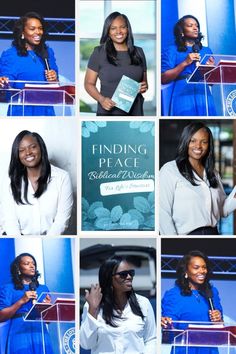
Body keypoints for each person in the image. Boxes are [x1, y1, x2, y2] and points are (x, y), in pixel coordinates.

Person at [159, 122, 236, 235]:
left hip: (213, 234)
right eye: (193, 141)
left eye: (204, 142)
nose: (198, 146)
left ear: (209, 145)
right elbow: (162, 213)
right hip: (186, 236)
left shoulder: (213, 173)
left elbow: (222, 210)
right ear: (185, 141)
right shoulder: (170, 170)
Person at [0, 130, 73, 236]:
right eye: (21, 150)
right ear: (17, 155)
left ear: (41, 148)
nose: (28, 152)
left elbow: (61, 222)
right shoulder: (9, 180)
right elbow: (10, 222)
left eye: (33, 147)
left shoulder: (62, 178)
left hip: (51, 239)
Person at [80, 255, 156, 353]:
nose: (129, 277)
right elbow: (86, 344)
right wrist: (93, 310)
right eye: (123, 274)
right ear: (109, 278)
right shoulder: (92, 306)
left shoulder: (143, 303)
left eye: (131, 273)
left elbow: (151, 339)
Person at [84, 11, 148, 116]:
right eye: (113, 28)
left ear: (128, 29)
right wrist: (101, 99)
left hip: (135, 112)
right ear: (108, 31)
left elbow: (144, 83)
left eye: (122, 27)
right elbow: (88, 83)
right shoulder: (99, 52)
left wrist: (143, 87)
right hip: (108, 112)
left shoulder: (139, 52)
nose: (119, 31)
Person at [161, 250, 223, 354]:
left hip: (210, 350)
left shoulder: (212, 292)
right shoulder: (173, 295)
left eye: (204, 267)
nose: (202, 271)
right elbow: (168, 334)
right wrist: (167, 325)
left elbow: (221, 329)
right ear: (186, 271)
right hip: (185, 350)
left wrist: (219, 320)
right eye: (196, 267)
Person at [0, 12, 58, 116]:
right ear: (22, 32)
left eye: (40, 28)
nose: (38, 32)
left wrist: (54, 79)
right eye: (32, 29)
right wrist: (4, 86)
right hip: (22, 111)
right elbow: (6, 89)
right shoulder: (11, 55)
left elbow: (56, 88)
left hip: (46, 111)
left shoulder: (48, 52)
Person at [161, 15, 216, 116]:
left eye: (197, 26)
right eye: (190, 25)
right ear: (181, 31)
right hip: (183, 94)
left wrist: (211, 70)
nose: (195, 28)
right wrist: (185, 63)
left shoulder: (206, 51)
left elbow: (211, 83)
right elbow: (164, 78)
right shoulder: (172, 50)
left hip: (203, 94)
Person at [0, 253, 53, 353]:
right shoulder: (8, 288)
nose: (32, 266)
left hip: (39, 331)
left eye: (33, 263)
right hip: (20, 332)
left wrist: (48, 308)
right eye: (27, 263)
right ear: (18, 268)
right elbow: (1, 316)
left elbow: (48, 321)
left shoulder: (43, 288)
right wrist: (21, 301)